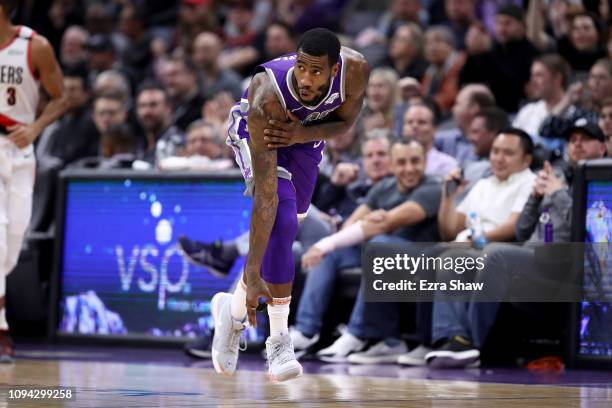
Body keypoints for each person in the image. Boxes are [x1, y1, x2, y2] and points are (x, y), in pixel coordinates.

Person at [210, 28, 369, 382]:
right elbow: (265, 198)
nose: (306, 78)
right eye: (301, 67)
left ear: (333, 71)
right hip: (260, 131)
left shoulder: (355, 69)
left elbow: (345, 122)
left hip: (305, 137)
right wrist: (252, 273)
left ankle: (230, 311)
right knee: (281, 220)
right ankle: (279, 340)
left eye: (316, 71)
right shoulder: (267, 92)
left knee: (288, 223)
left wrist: (301, 135)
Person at [0, 0, 68, 361]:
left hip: (19, 150)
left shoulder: (34, 46)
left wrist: (36, 127)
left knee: (12, 247)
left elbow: (61, 97)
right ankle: (1, 331)